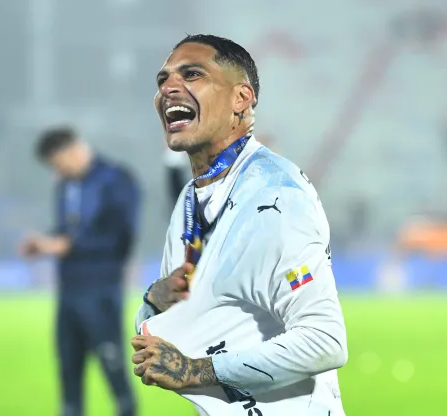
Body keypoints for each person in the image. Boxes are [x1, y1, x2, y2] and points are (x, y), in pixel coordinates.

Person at [130, 35, 349, 415]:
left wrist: (196, 370)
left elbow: (325, 340)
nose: (168, 88)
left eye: (192, 74)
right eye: (162, 80)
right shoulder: (190, 199)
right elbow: (172, 332)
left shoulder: (276, 196)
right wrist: (153, 302)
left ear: (241, 99)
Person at [20, 127, 139, 416]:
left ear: (72, 149)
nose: (57, 171)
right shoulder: (66, 184)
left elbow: (120, 236)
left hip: (101, 289)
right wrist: (45, 243)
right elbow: (66, 231)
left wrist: (66, 245)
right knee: (69, 375)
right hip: (69, 290)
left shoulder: (116, 179)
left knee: (114, 373)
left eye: (57, 163)